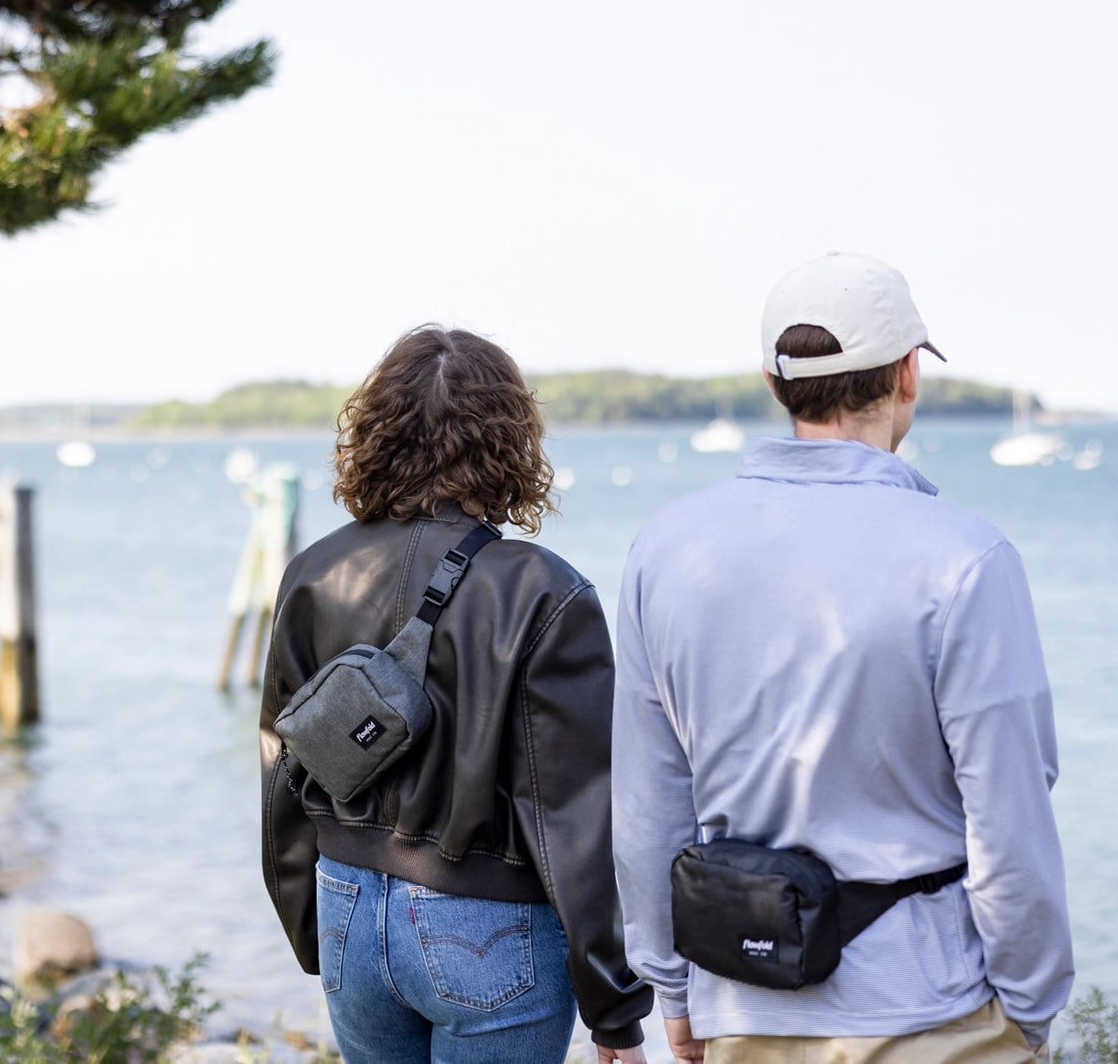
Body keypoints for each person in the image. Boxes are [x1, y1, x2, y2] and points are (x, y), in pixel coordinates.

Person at [612, 252, 1074, 1064]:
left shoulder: (665, 550)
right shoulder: (966, 559)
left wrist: (674, 990)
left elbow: (650, 804)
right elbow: (1009, 817)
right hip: (932, 1012)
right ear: (906, 374)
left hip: (741, 1001)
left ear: (772, 380)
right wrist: (1030, 1009)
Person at [260, 325, 651, 1063]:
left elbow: (281, 762)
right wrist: (616, 1010)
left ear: (375, 430)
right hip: (486, 926)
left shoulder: (312, 570)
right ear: (509, 439)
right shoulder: (544, 589)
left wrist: (312, 927)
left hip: (346, 899)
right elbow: (571, 818)